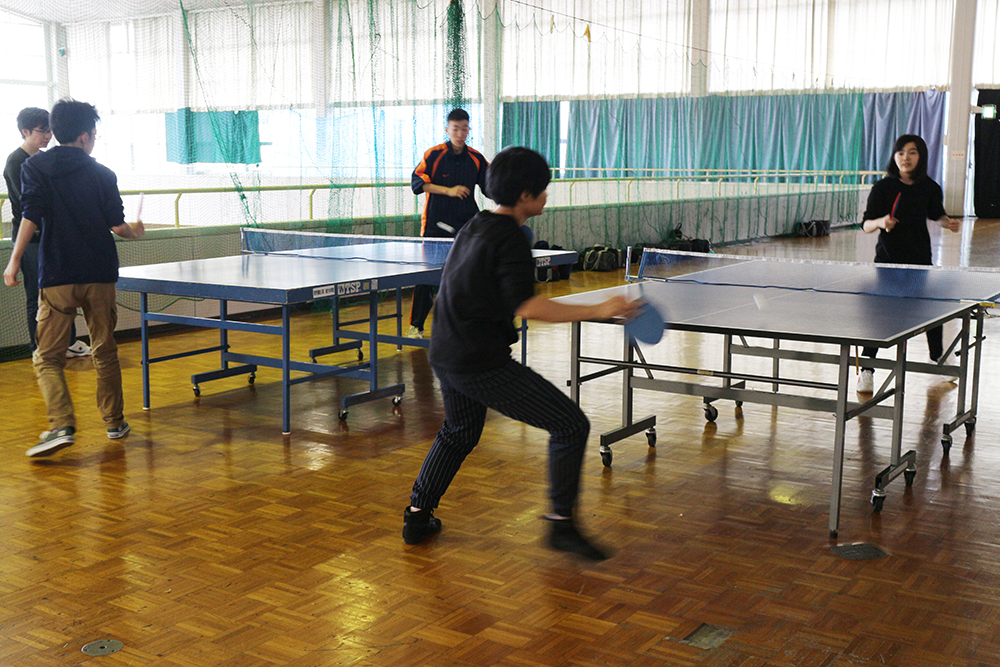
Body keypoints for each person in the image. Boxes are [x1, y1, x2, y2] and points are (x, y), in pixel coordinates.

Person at [402, 147, 642, 561]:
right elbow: (528, 306)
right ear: (525, 196)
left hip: (445, 350)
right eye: (543, 190)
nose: (547, 196)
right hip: (478, 361)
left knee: (459, 432)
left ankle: (417, 516)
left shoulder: (476, 223)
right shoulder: (511, 236)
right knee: (569, 425)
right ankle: (561, 525)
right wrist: (600, 309)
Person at [3, 99, 145, 457]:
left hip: (58, 273)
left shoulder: (35, 166)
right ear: (84, 136)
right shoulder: (103, 174)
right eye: (94, 134)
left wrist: (14, 261)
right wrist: (136, 232)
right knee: (104, 350)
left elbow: (30, 216)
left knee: (47, 357)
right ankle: (114, 423)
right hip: (99, 273)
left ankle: (61, 425)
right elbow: (118, 226)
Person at [857, 134, 960, 393]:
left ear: (921, 156)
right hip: (888, 262)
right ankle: (867, 370)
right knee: (881, 316)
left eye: (912, 152)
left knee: (929, 310)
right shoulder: (882, 188)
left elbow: (936, 214)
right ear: (894, 156)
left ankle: (937, 358)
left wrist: (947, 222)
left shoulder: (930, 187)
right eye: (901, 152)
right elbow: (866, 224)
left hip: (919, 259)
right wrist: (881, 222)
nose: (906, 157)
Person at [4, 107, 90, 358]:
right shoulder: (16, 162)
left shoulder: (45, 160)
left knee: (63, 292)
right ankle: (39, 347)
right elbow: (30, 206)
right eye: (42, 131)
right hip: (30, 240)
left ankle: (68, 342)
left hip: (53, 237)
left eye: (50, 130)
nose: (47, 136)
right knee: (36, 295)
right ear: (25, 131)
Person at [408, 108, 490, 338]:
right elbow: (417, 183)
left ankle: (469, 321)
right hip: (436, 224)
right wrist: (448, 190)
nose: (460, 133)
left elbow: (491, 186)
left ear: (469, 130)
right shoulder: (434, 155)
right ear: (447, 129)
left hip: (467, 226)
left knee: (471, 273)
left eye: (464, 129)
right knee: (426, 276)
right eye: (455, 129)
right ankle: (416, 325)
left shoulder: (476, 158)